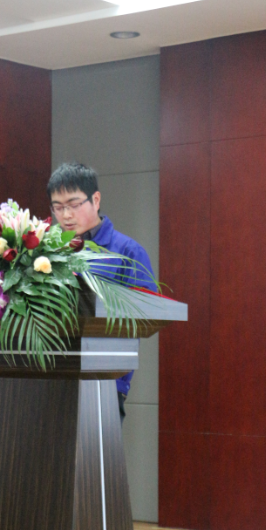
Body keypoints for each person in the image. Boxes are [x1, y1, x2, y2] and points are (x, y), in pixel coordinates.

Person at [47, 162, 156, 422]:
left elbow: (147, 316)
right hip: (46, 379)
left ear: (95, 200)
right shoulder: (45, 252)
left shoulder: (127, 252)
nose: (66, 215)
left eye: (73, 205)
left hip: (104, 383)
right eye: (58, 207)